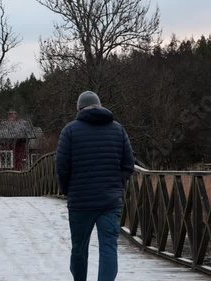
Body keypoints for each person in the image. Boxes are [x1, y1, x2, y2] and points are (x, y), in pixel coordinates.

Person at [56, 91, 135, 281]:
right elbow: (128, 165)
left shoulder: (70, 130)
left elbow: (61, 167)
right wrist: (118, 185)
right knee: (108, 248)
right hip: (110, 202)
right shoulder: (118, 129)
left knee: (79, 249)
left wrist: (68, 190)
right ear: (100, 106)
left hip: (80, 202)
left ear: (78, 109)